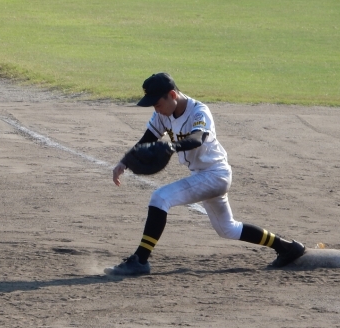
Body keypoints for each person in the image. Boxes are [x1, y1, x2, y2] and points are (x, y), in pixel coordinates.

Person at [105, 73, 306, 276]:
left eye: (157, 104)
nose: (156, 109)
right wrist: (125, 161)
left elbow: (197, 138)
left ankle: (140, 260)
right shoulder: (162, 114)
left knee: (160, 197)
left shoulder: (199, 111)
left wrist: (172, 147)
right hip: (203, 176)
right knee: (228, 229)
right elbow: (148, 137)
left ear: (172, 95)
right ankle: (287, 247)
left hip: (215, 175)